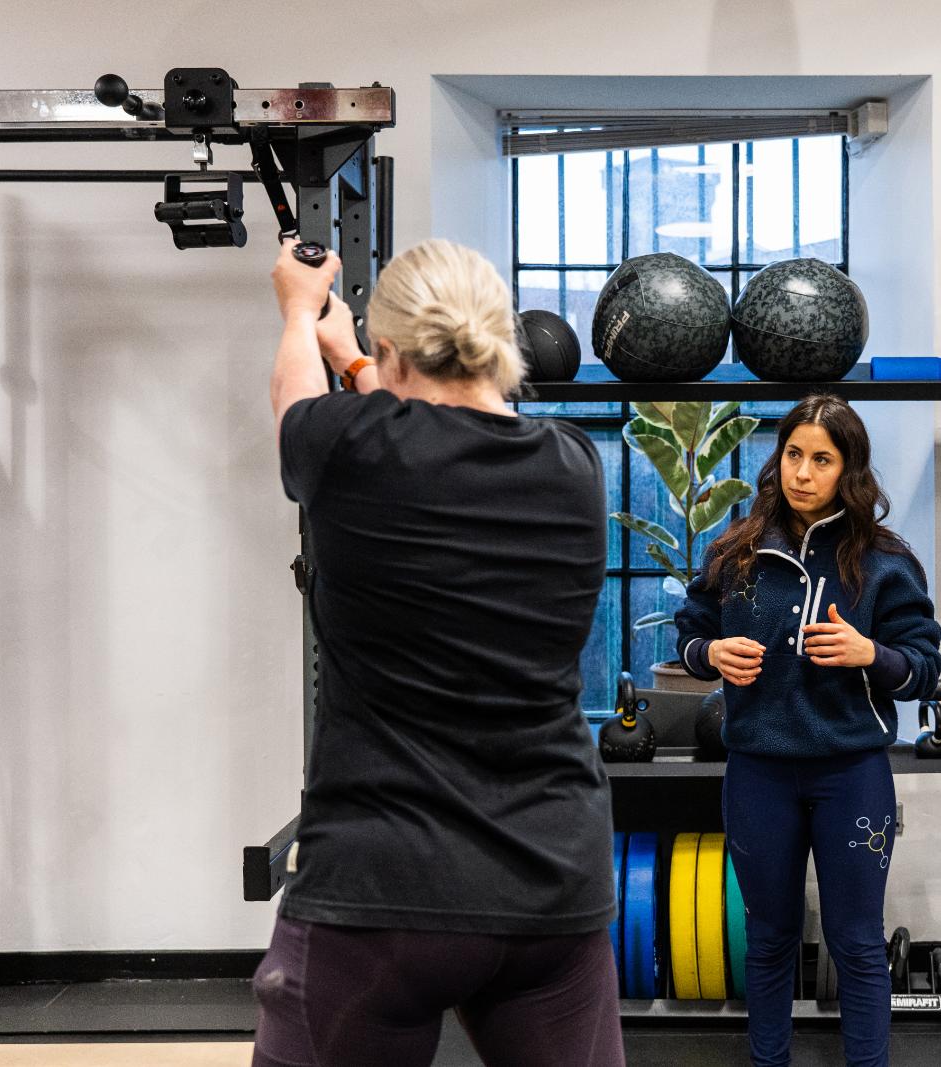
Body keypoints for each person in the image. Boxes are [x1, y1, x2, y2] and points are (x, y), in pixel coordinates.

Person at [253, 237, 624, 1067]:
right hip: (550, 880)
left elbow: (296, 410)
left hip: (382, 887)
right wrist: (355, 355)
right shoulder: (575, 465)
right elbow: (420, 420)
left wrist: (296, 314)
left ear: (394, 352)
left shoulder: (347, 450)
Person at [675, 394, 941, 1067]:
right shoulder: (737, 551)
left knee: (856, 942)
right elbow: (691, 632)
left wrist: (871, 655)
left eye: (821, 459)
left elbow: (925, 666)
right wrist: (710, 656)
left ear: (847, 470)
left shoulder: (885, 562)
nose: (802, 471)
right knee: (767, 939)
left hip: (850, 775)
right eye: (794, 454)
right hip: (758, 773)